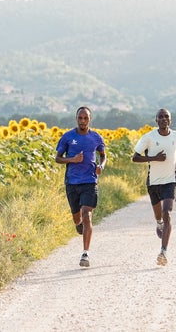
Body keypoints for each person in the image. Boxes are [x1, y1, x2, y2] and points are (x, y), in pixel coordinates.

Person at [132, 108, 176, 266]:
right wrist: (154, 158)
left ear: (170, 120)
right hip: (153, 182)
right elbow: (135, 158)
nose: (163, 119)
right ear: (156, 120)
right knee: (159, 216)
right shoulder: (148, 137)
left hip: (170, 181)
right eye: (160, 117)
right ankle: (158, 223)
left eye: (166, 117)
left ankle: (163, 251)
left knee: (167, 212)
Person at [55, 106, 106, 267]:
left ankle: (85, 254)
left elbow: (103, 155)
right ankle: (79, 225)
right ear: (76, 118)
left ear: (90, 119)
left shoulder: (96, 137)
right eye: (80, 118)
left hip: (90, 181)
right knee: (77, 218)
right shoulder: (68, 137)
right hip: (72, 182)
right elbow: (57, 158)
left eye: (85, 118)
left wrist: (101, 166)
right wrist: (72, 159)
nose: (83, 121)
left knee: (87, 215)